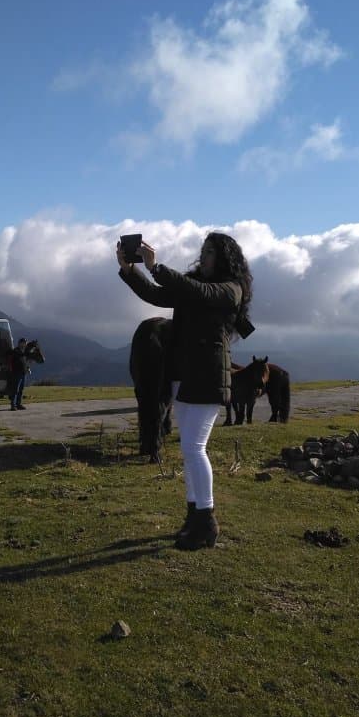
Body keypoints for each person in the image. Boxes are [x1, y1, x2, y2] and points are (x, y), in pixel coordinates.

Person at [117, 232, 253, 550]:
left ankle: (206, 520)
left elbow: (197, 291)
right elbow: (155, 295)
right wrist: (129, 270)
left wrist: (156, 266)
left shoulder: (230, 289)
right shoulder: (194, 287)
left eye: (209, 252)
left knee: (194, 448)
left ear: (224, 258)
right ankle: (194, 517)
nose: (203, 256)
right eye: (203, 250)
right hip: (184, 376)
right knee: (190, 451)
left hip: (207, 377)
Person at [7, 337, 29, 410]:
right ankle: (13, 405)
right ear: (19, 343)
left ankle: (18, 404)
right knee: (15, 389)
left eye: (25, 343)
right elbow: (21, 357)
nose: (24, 344)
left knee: (21, 389)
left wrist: (27, 368)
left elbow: (25, 362)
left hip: (23, 373)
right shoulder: (16, 351)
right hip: (16, 373)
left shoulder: (23, 351)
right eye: (23, 343)